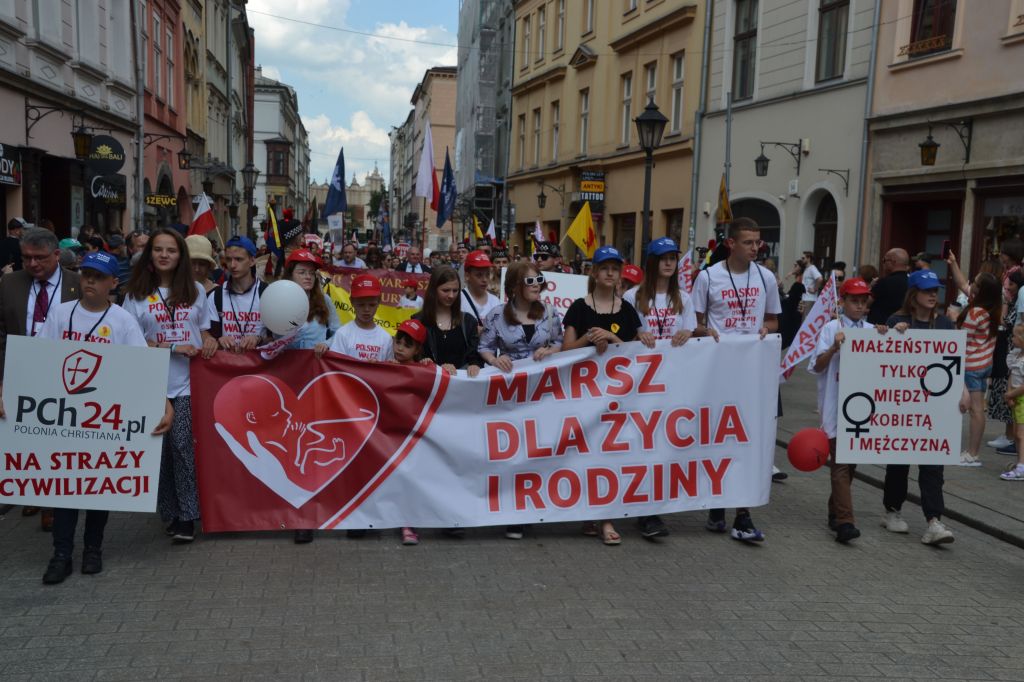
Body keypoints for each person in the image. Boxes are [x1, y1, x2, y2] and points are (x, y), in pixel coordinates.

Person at [36, 252, 173, 583]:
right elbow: (37, 358)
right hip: (66, 419)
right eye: (86, 275)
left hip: (103, 421)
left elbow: (141, 366)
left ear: (113, 283)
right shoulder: (60, 314)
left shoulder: (122, 322)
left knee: (99, 489)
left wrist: (164, 402)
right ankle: (61, 554)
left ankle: (92, 549)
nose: (90, 282)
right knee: (64, 489)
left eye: (98, 277)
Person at [123, 228, 217, 544]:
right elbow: (132, 344)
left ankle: (188, 515)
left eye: (171, 250)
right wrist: (172, 347)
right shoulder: (135, 295)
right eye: (159, 249)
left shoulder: (196, 291)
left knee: (182, 447)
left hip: (188, 383)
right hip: (152, 383)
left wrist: (209, 340)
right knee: (160, 452)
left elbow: (204, 332)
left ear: (181, 256)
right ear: (149, 254)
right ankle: (171, 513)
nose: (164, 255)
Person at [691, 217, 782, 543]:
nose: (755, 248)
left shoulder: (766, 277)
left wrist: (765, 329)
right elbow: (694, 323)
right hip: (718, 370)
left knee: (747, 440)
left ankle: (742, 515)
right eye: (748, 242)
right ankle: (717, 506)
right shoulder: (708, 277)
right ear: (731, 243)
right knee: (719, 438)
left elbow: (773, 320)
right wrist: (705, 332)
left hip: (752, 370)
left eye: (758, 242)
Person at [561, 245, 655, 545]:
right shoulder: (579, 307)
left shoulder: (627, 309)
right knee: (587, 454)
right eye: (605, 268)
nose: (610, 273)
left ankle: (606, 518)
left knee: (609, 456)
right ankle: (589, 513)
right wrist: (590, 339)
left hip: (618, 396)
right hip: (585, 394)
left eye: (615, 268)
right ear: (594, 272)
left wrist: (612, 337)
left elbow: (635, 352)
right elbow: (566, 350)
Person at [621, 237, 706, 540]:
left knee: (662, 445)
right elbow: (624, 339)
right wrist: (636, 337)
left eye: (673, 258)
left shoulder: (683, 297)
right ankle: (642, 508)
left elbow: (691, 332)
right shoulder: (632, 296)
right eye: (663, 258)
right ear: (652, 262)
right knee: (642, 445)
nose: (669, 263)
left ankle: (652, 509)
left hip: (673, 383)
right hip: (641, 384)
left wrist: (689, 334)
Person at [0, 227, 81, 530]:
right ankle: (33, 491)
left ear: (57, 255)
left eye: (40, 258)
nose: (32, 264)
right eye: (26, 258)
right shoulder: (9, 283)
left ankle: (53, 506)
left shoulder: (77, 284)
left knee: (60, 440)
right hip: (22, 370)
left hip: (67, 374)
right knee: (29, 437)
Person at [479, 260, 564, 541]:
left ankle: (532, 507)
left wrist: (551, 351)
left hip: (542, 392)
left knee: (537, 450)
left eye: (539, 279)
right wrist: (495, 360)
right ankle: (513, 514)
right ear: (515, 286)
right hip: (511, 394)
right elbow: (484, 347)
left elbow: (561, 343)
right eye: (530, 281)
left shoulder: (550, 313)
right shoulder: (496, 315)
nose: (537, 285)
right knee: (513, 453)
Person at [881, 269, 965, 545]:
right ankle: (892, 510)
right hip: (903, 405)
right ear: (913, 294)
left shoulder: (944, 324)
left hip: (934, 406)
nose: (932, 295)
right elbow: (883, 361)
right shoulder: (897, 320)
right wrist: (893, 335)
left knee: (933, 465)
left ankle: (934, 521)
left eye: (935, 290)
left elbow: (954, 362)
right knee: (899, 461)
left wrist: (963, 390)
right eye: (926, 290)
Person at [808, 277, 875, 544]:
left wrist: (895, 333)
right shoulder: (831, 328)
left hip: (861, 409)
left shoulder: (872, 330)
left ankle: (835, 511)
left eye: (863, 301)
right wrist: (834, 348)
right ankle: (846, 522)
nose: (859, 306)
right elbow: (817, 366)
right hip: (835, 407)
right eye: (854, 300)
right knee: (840, 464)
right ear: (842, 302)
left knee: (850, 465)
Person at [390, 317, 432, 546]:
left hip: (415, 436)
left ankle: (409, 523)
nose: (400, 348)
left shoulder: (425, 369)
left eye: (407, 345)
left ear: (417, 350)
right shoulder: (386, 367)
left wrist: (430, 366)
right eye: (398, 342)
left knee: (412, 479)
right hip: (391, 435)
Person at [413, 267, 482, 378]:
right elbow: (412, 356)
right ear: (433, 290)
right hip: (430, 383)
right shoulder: (417, 321)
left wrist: (475, 364)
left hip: (461, 384)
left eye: (455, 291)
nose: (451, 295)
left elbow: (475, 355)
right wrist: (429, 364)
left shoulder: (468, 321)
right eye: (446, 290)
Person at [209, 236, 266, 352]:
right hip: (227, 361)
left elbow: (278, 339)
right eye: (228, 259)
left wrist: (258, 339)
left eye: (239, 259)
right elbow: (209, 337)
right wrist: (218, 340)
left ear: (252, 261)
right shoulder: (216, 295)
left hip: (260, 362)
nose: (232, 265)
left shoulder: (267, 293)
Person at [325, 273, 394, 363]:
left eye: (372, 305)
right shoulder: (342, 334)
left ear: (379, 302)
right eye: (361, 305)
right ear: (352, 302)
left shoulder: (386, 338)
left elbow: (389, 368)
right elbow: (336, 366)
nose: (366, 309)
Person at [1000, 325, 1024, 481]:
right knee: (1016, 434)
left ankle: (1021, 467)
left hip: (1021, 398)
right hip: (1016, 398)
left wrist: (1011, 394)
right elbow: (1012, 375)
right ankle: (1020, 462)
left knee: (1021, 434)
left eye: (1015, 336)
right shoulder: (1016, 356)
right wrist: (1009, 394)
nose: (1012, 338)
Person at [461, 250, 501, 332]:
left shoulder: (495, 301)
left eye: (487, 274)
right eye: (479, 275)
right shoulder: (459, 300)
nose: (485, 280)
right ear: (467, 276)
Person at [868, 248, 910, 325]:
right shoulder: (912, 283)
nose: (883, 264)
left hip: (881, 328)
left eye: (884, 260)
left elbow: (866, 303)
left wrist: (870, 288)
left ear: (893, 262)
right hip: (904, 327)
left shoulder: (883, 282)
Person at [780, 261, 806, 348]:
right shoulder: (797, 281)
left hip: (795, 311)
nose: (793, 268)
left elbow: (793, 298)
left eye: (796, 266)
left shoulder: (799, 283)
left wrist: (791, 273)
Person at [800, 251, 823, 317]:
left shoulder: (812, 268)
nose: (802, 260)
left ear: (809, 258)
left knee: (806, 320)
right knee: (804, 319)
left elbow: (820, 278)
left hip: (810, 299)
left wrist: (815, 289)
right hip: (806, 298)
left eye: (803, 258)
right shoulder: (807, 269)